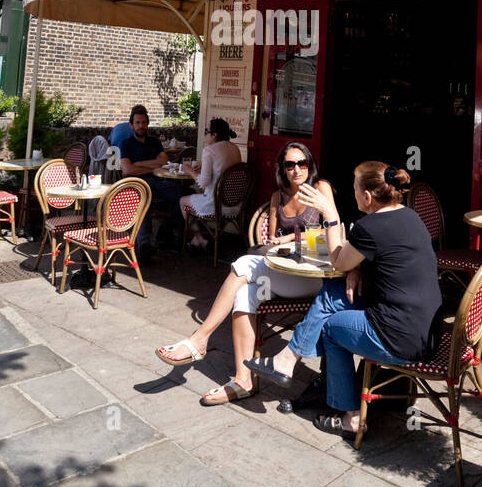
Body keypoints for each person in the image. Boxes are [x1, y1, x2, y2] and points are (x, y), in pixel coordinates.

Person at [243, 162, 442, 439]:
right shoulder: (410, 216)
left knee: (331, 327)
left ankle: (350, 417)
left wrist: (330, 212)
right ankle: (287, 360)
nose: (354, 194)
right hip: (427, 332)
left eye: (355, 189)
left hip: (400, 338)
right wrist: (356, 269)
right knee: (336, 291)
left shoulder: (369, 226)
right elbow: (382, 259)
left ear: (368, 197)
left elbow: (337, 258)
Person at [157, 142, 337, 405]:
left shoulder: (321, 189)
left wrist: (289, 238)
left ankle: (200, 339)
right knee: (244, 292)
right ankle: (243, 380)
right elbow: (273, 238)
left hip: (312, 277)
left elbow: (330, 229)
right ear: (283, 169)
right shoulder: (278, 197)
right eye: (290, 165)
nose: (297, 169)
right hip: (285, 272)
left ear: (309, 165)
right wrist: (278, 243)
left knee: (242, 265)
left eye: (302, 163)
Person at [118, 105, 186, 258]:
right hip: (135, 184)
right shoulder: (125, 144)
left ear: (147, 124)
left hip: (158, 182)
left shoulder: (154, 142)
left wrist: (139, 164)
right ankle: (145, 244)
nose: (141, 126)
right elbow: (127, 170)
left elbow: (164, 161)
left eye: (143, 122)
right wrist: (154, 165)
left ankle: (164, 232)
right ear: (131, 125)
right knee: (145, 195)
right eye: (137, 123)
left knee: (183, 194)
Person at [178, 118, 243, 249]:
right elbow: (223, 172)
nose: (205, 135)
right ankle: (199, 240)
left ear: (214, 135)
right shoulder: (235, 148)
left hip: (216, 205)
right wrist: (202, 168)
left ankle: (199, 238)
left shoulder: (210, 150)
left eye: (207, 132)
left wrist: (189, 170)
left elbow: (203, 183)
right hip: (235, 204)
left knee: (182, 201)